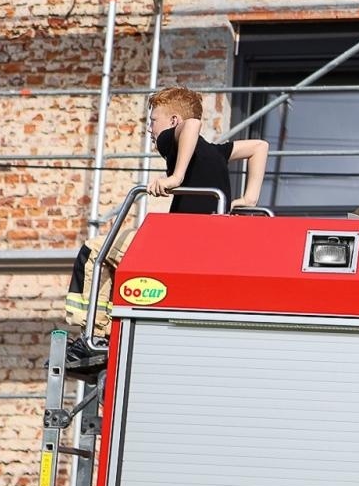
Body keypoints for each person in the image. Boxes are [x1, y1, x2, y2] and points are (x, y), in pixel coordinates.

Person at [64, 86, 270, 374]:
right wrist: (250, 199)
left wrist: (175, 176)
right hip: (208, 242)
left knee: (93, 251)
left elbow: (193, 124)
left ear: (173, 121)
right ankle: (105, 331)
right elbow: (260, 147)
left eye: (153, 120)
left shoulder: (169, 141)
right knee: (117, 261)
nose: (150, 129)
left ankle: (96, 336)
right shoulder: (215, 151)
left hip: (180, 242)